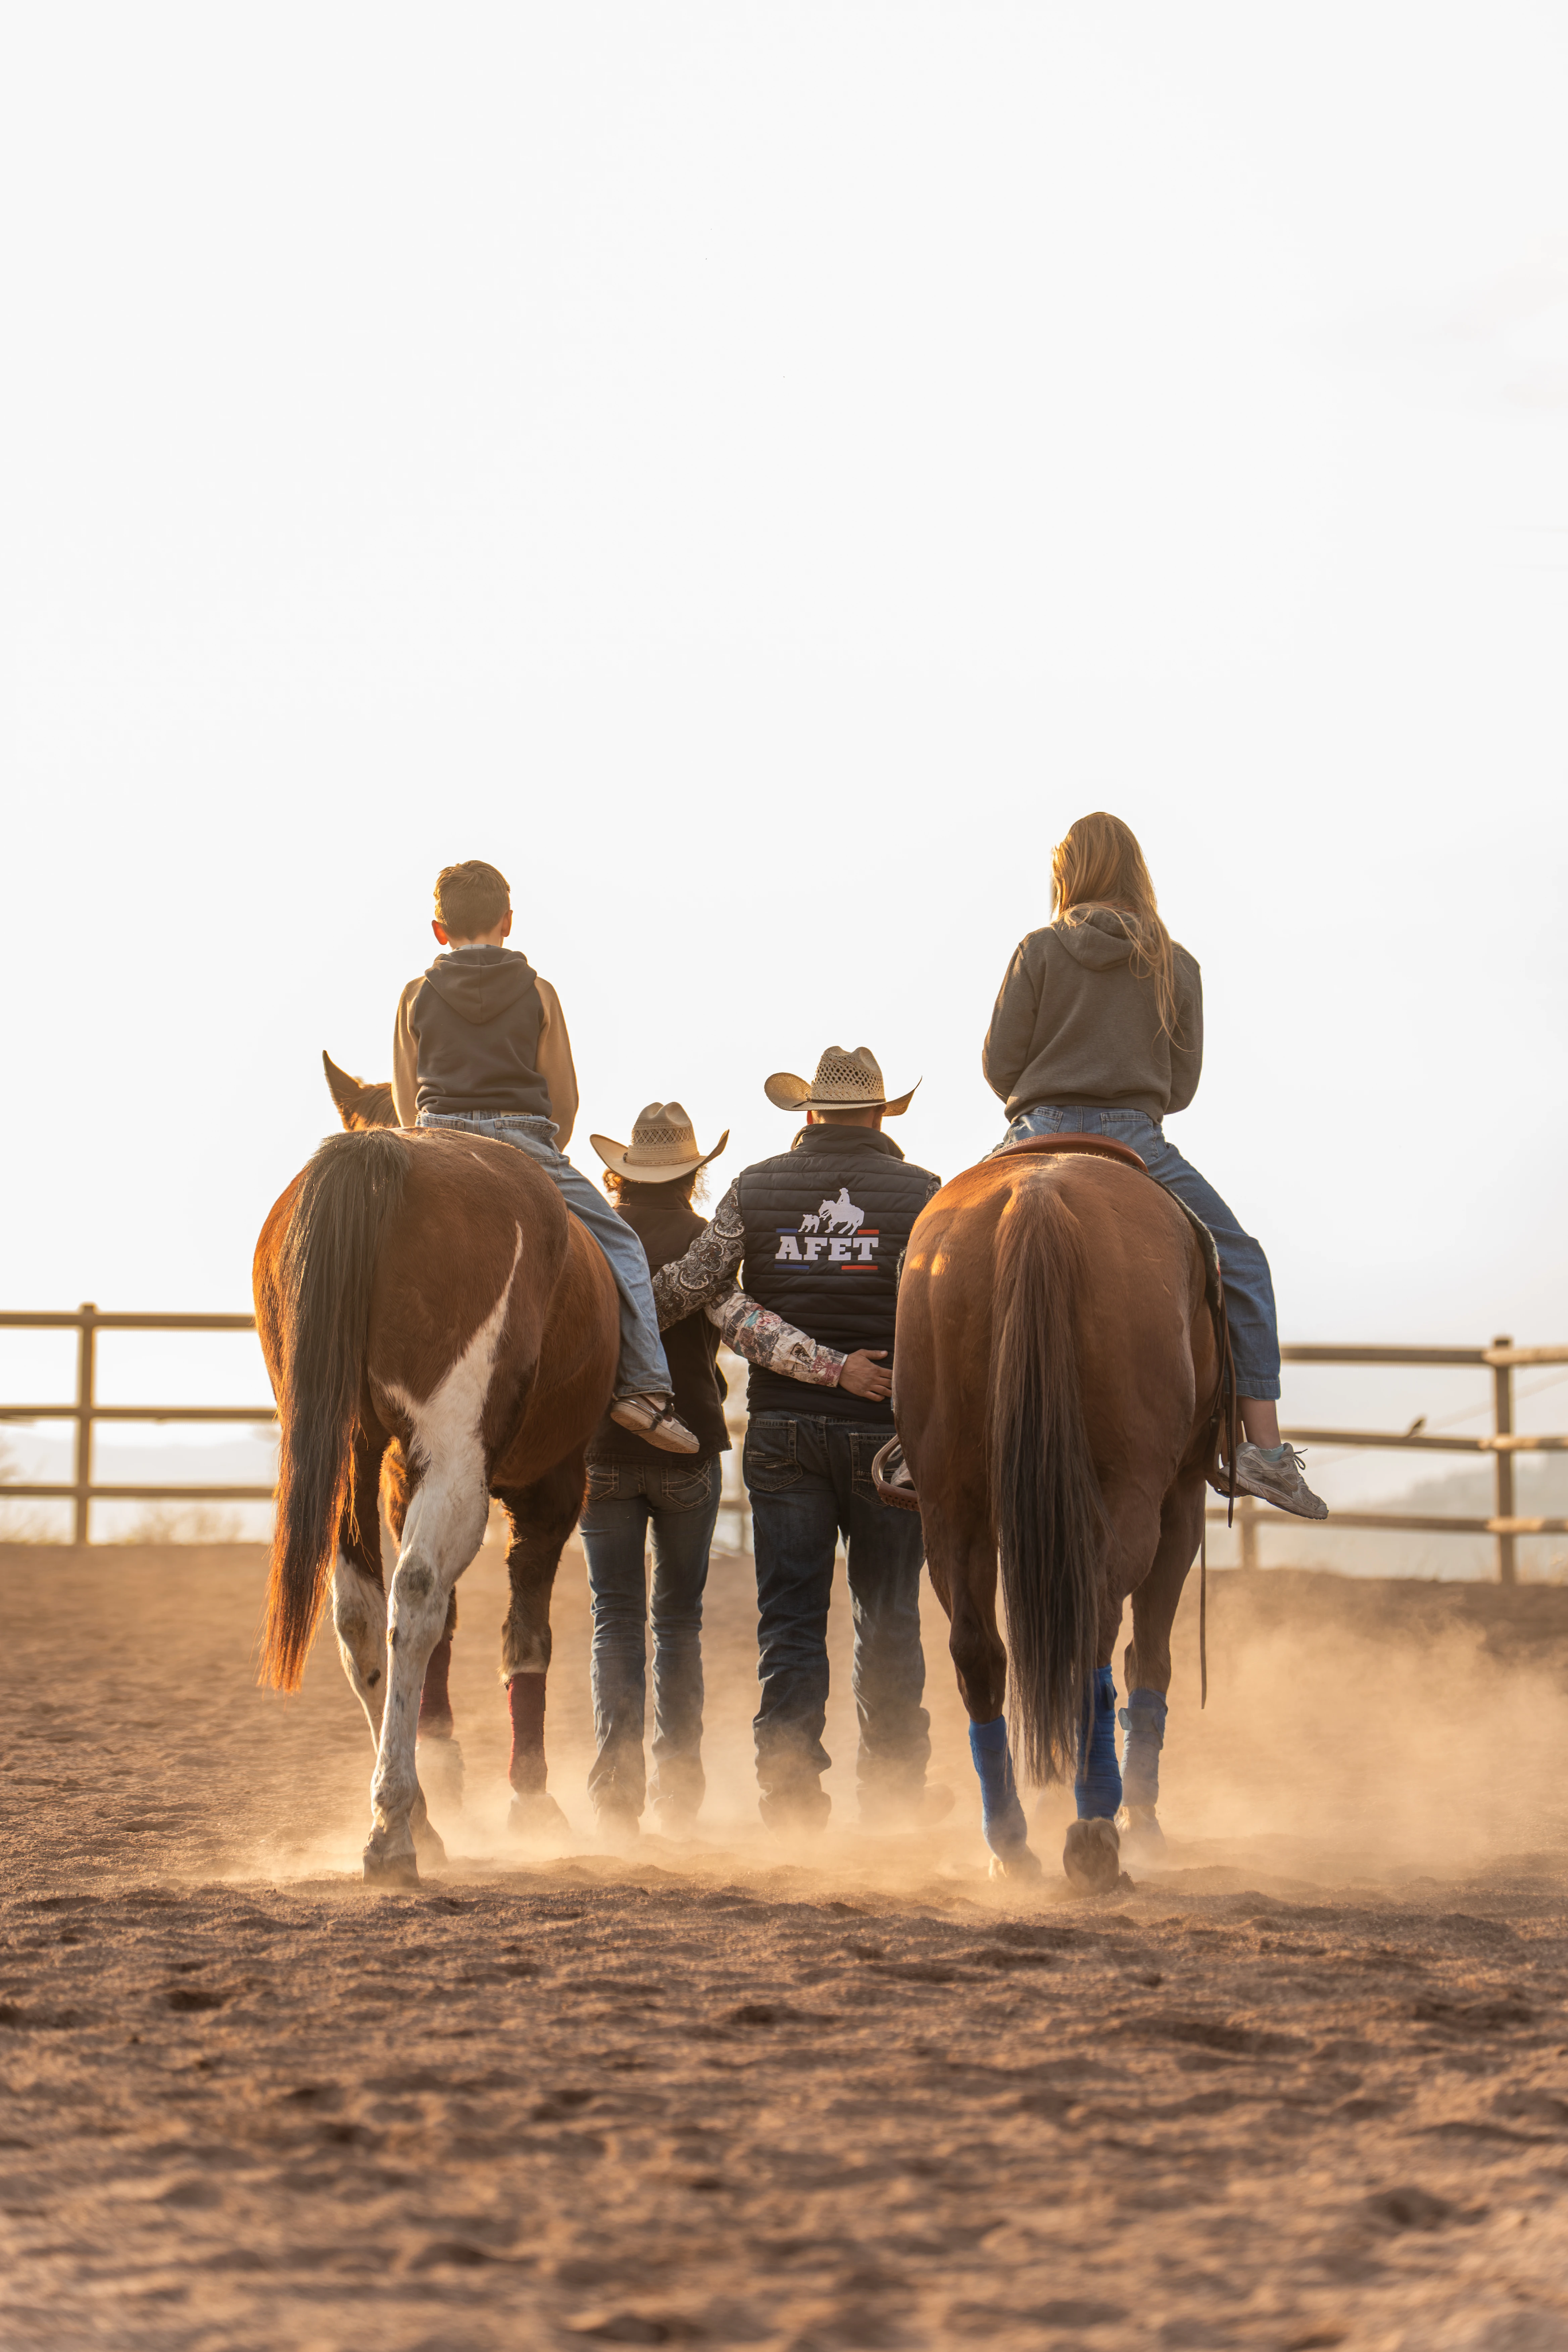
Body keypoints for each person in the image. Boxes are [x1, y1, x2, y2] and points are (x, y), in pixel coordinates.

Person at [981, 811, 1327, 1519]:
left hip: (1033, 1131)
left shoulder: (1037, 949)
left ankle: (912, 1428)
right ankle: (1261, 1452)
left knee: (927, 1248)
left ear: (1067, 872)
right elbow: (1181, 1084)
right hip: (1134, 1140)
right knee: (1243, 1266)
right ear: (1134, 868)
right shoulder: (1175, 961)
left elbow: (998, 1064)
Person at [651, 1045, 951, 1835]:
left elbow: (701, 1290)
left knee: (789, 1620)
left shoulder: (753, 1187)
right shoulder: (926, 1196)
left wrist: (617, 1308)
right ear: (882, 1115)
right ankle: (891, 1799)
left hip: (783, 1429)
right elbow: (946, 1318)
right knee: (887, 1617)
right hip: (887, 1440)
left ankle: (788, 1799)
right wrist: (859, 1372)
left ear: (809, 1114)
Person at [579, 1101, 892, 1843]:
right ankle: (679, 1796)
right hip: (687, 1448)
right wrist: (832, 1367)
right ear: (693, 1172)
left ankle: (613, 1798)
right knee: (677, 1623)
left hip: (601, 1451)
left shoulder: (594, 1237)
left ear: (619, 1173)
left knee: (613, 1620)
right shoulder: (702, 1240)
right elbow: (738, 1323)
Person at [391, 859, 697, 1452]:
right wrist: (541, 1158)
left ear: (438, 930)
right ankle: (645, 1389)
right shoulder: (539, 992)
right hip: (525, 1140)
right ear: (508, 922)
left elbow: (407, 1103)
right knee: (622, 1245)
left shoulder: (413, 996)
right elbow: (564, 1096)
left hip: (438, 1142)